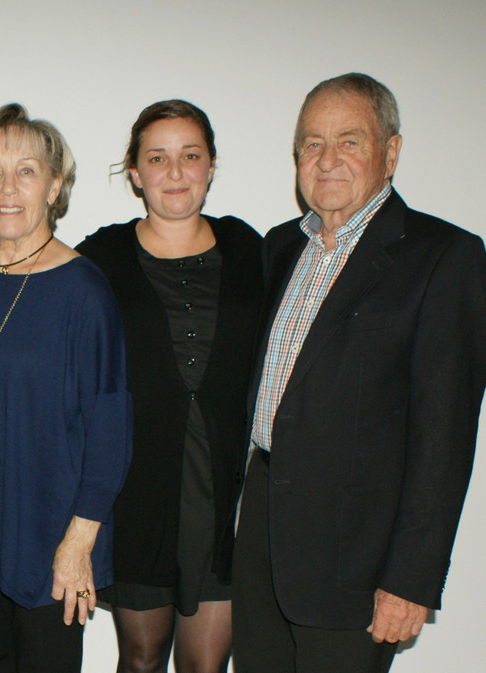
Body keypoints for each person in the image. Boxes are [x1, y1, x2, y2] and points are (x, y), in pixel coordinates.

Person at [233, 72, 486, 673]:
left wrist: (411, 578)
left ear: (390, 152)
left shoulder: (444, 256)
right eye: (312, 143)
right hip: (263, 532)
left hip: (358, 557)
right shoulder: (279, 247)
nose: (327, 159)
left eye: (350, 141)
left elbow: (445, 436)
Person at [0, 103, 133, 673]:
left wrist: (79, 542)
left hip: (53, 526)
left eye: (27, 170)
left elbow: (111, 429)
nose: (8, 187)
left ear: (55, 185)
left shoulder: (83, 291)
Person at [76, 100, 262, 673]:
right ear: (135, 173)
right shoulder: (100, 256)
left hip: (225, 497)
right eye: (157, 158)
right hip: (138, 495)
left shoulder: (250, 248)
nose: (175, 172)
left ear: (211, 166)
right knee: (142, 657)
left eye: (190, 155)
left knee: (207, 666)